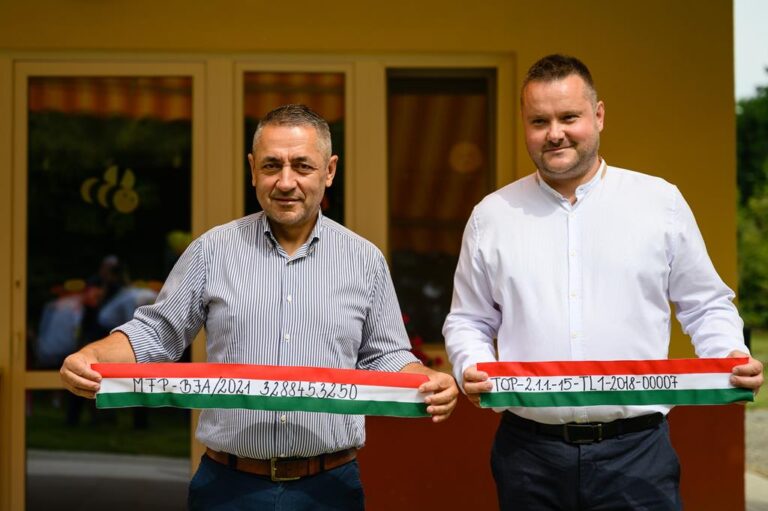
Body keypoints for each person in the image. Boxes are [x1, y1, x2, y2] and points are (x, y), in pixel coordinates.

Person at [61, 104, 458, 511]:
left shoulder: (364, 260)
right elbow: (157, 334)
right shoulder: (212, 251)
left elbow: (385, 355)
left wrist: (427, 379)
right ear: (252, 170)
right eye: (271, 166)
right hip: (227, 488)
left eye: (302, 166)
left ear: (329, 170)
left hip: (329, 489)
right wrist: (93, 356)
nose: (285, 182)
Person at [442, 54, 764, 510]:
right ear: (524, 125)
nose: (554, 133)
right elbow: (468, 319)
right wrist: (472, 364)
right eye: (539, 121)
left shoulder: (660, 203)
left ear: (599, 115)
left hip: (637, 454)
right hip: (529, 455)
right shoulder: (492, 216)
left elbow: (704, 304)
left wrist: (727, 356)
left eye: (568, 117)